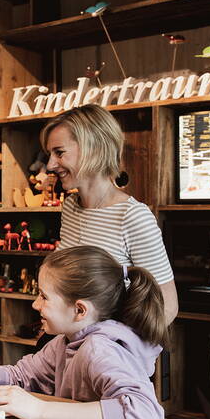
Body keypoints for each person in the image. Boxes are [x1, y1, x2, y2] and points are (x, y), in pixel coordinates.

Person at [0, 246, 166, 419]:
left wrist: (39, 410)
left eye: (44, 297)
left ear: (80, 310)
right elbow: (20, 374)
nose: (36, 304)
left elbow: (145, 415)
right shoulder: (64, 342)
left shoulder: (100, 349)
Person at [40, 104, 178, 325]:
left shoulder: (132, 216)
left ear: (93, 149)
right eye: (50, 154)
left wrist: (116, 347)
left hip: (107, 355)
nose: (50, 164)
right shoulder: (71, 208)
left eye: (59, 152)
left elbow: (166, 307)